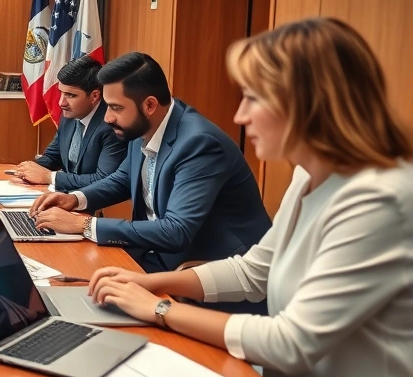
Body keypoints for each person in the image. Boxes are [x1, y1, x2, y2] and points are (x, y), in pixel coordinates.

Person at [87, 18, 413, 377]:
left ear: (308, 102)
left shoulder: (379, 199)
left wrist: (159, 308)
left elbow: (290, 342)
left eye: (254, 98)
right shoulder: (308, 176)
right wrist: (151, 282)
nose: (240, 116)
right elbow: (254, 269)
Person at [29, 52, 270, 273]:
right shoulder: (144, 125)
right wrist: (75, 198)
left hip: (212, 267)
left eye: (115, 107)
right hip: (157, 253)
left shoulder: (199, 144)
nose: (107, 117)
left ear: (150, 105)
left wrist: (84, 224)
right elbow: (121, 180)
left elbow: (176, 231)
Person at [14, 55, 126, 195]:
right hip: (65, 197)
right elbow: (53, 156)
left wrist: (50, 177)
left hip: (93, 204)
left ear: (95, 96)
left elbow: (103, 179)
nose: (61, 103)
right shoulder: (69, 116)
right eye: (61, 93)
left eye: (71, 95)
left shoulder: (111, 125)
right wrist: (28, 170)